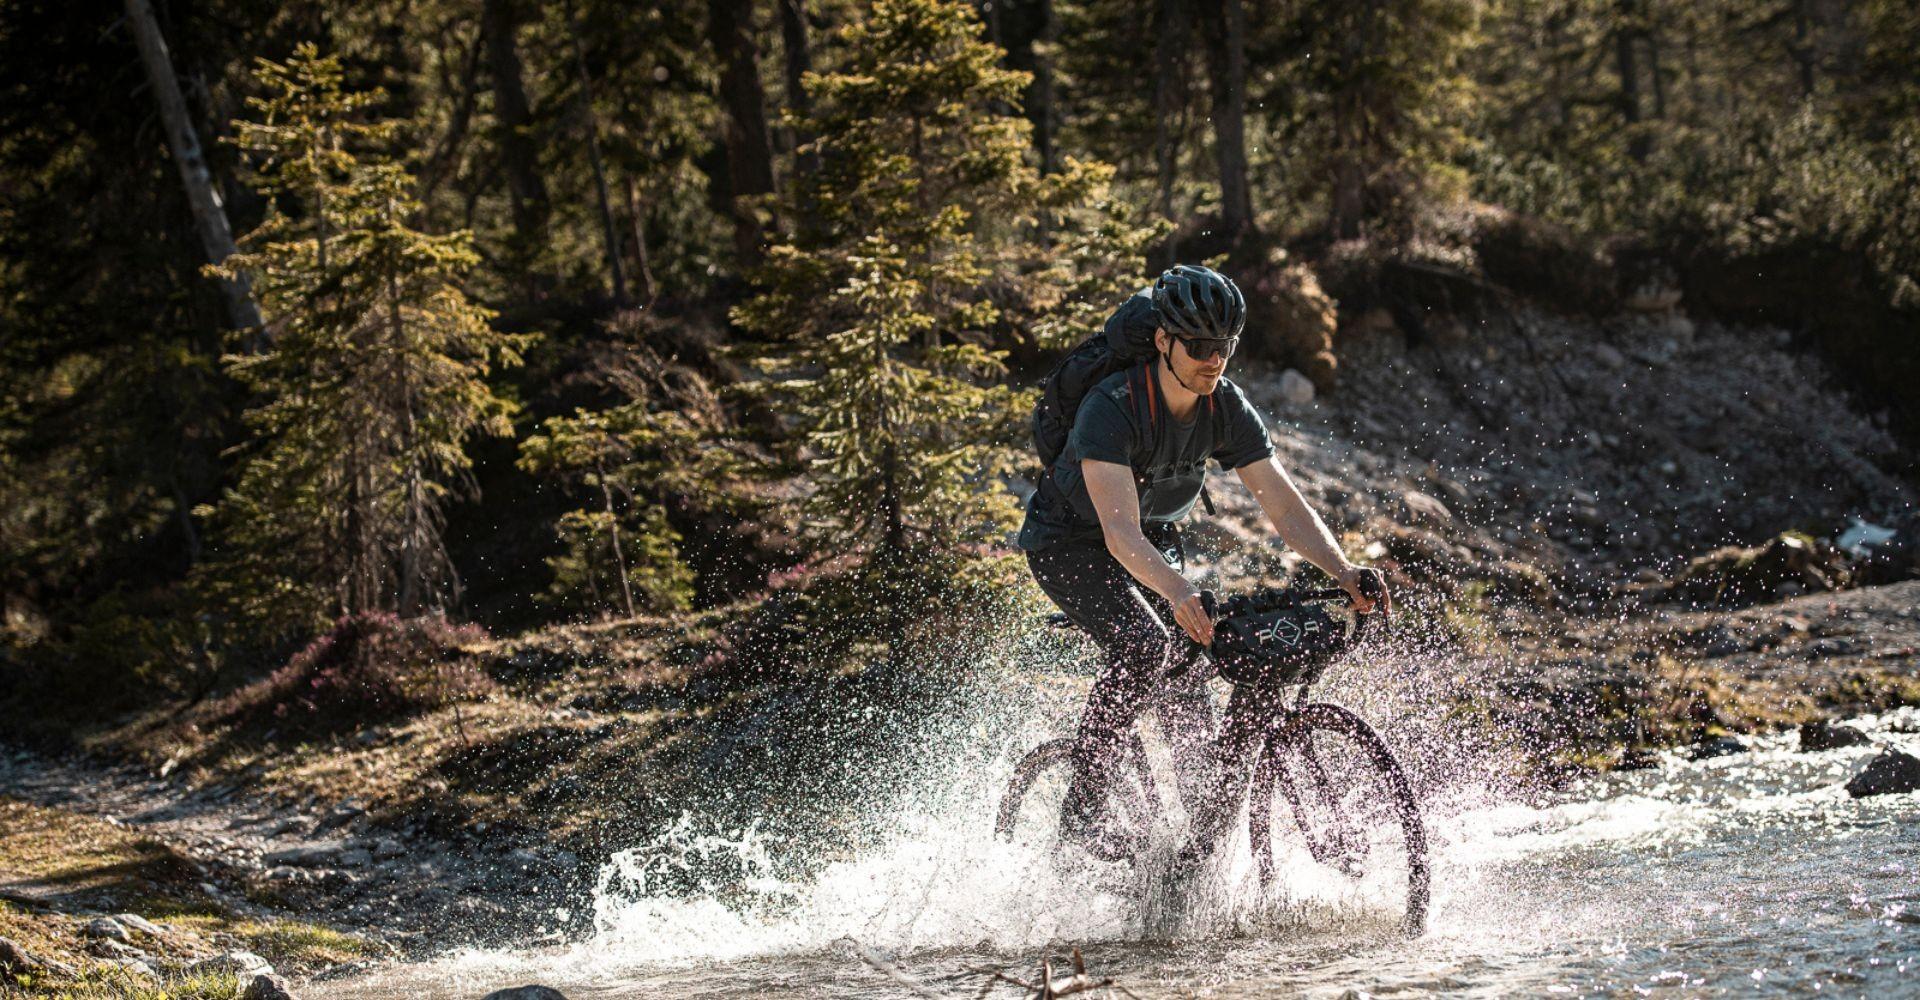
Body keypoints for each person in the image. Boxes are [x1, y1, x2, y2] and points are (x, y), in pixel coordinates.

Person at [1016, 263, 1390, 852]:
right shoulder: (1111, 407)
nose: (1213, 359)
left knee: (1202, 649)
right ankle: (1084, 808)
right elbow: (1117, 531)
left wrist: (1344, 571)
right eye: (1199, 346)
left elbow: (1284, 505)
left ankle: (1195, 841)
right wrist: (1177, 590)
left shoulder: (1225, 405)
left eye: (1225, 346)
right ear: (1163, 341)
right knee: (1145, 646)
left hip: (1153, 536)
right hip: (1070, 543)